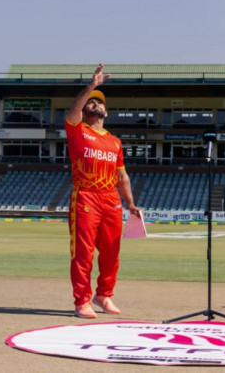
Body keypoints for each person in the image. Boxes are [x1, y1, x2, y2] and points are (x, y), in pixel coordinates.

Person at [65, 63, 141, 319]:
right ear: (85, 109)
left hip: (111, 198)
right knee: (83, 252)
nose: (96, 104)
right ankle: (82, 301)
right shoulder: (78, 131)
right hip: (86, 195)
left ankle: (104, 295)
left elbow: (122, 176)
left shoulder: (114, 141)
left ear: (106, 111)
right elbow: (73, 109)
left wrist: (131, 203)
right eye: (92, 102)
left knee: (111, 251)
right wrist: (92, 86)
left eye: (100, 103)